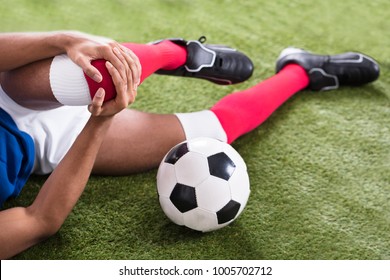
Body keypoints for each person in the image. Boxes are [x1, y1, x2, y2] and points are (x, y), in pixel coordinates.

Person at [0, 31, 380, 259]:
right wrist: (100, 122)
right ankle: (303, 71)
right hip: (43, 145)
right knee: (214, 131)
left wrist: (64, 41)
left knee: (99, 75)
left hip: (13, 87)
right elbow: (39, 221)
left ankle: (173, 52)